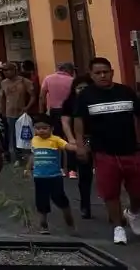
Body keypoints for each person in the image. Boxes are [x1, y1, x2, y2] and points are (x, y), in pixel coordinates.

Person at [73, 57, 140, 245]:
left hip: (131, 150)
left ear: (111, 72)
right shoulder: (86, 96)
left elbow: (137, 116)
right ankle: (118, 227)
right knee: (111, 192)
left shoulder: (126, 91)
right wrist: (80, 145)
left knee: (137, 191)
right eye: (98, 73)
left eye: (106, 71)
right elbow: (78, 121)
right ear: (91, 75)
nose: (103, 75)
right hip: (103, 152)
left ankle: (133, 213)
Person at [28, 113, 76, 235]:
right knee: (41, 201)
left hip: (54, 176)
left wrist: (78, 147)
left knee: (59, 198)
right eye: (38, 128)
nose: (41, 131)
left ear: (51, 129)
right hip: (39, 176)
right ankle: (43, 224)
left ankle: (69, 220)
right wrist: (28, 168)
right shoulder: (34, 140)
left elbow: (67, 147)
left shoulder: (56, 140)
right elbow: (33, 155)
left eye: (45, 128)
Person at [61, 73, 95, 219]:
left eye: (85, 87)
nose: (81, 90)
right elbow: (65, 121)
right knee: (85, 175)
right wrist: (71, 139)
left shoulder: (96, 99)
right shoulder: (70, 102)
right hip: (83, 140)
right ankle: (85, 205)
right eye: (79, 88)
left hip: (101, 140)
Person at [0, 62, 38, 163]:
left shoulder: (24, 81)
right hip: (9, 113)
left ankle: (28, 155)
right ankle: (17, 157)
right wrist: (0, 111)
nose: (6, 72)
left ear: (15, 70)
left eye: (8, 70)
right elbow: (1, 98)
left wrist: (27, 107)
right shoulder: (3, 83)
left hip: (22, 113)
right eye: (4, 71)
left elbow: (33, 96)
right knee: (12, 135)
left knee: (25, 134)